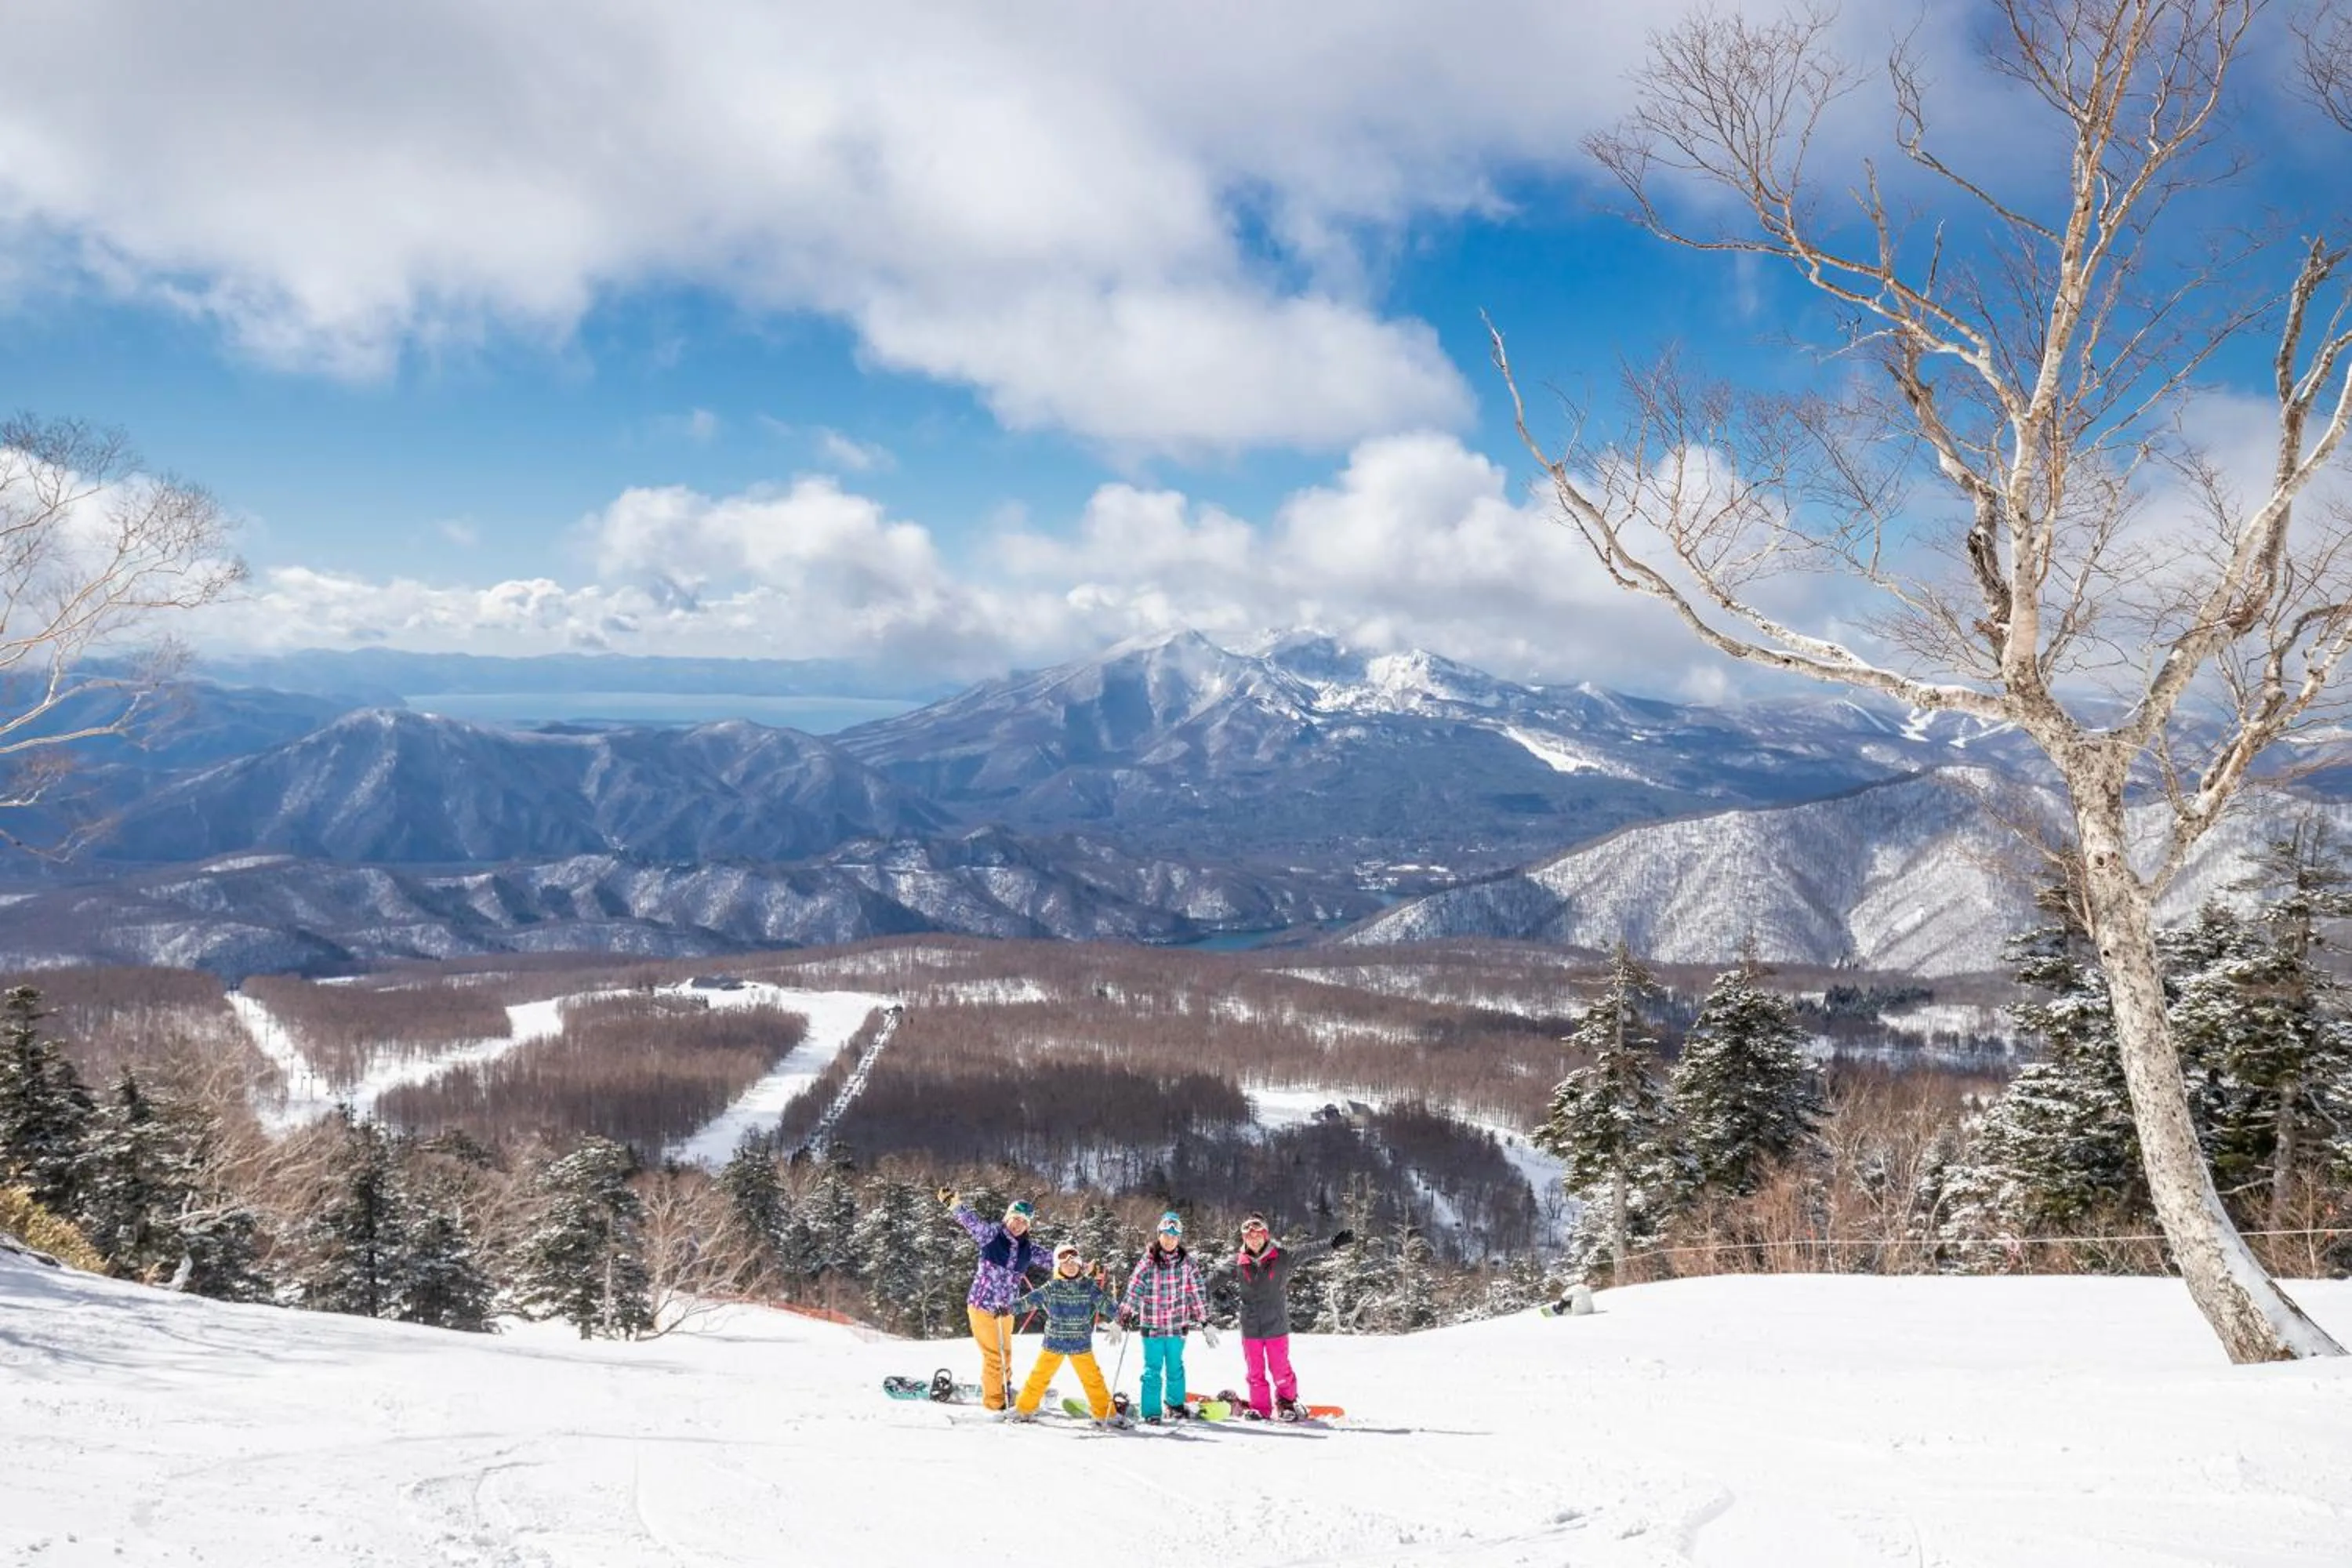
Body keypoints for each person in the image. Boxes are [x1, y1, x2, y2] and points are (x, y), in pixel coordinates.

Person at [1229, 1211, 1352, 1421]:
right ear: (1244, 1239)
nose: (1254, 1239)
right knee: (1255, 1372)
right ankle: (1260, 1409)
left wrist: (1333, 1243)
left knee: (1280, 1369)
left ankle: (1287, 1402)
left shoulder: (1281, 1257)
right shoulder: (1237, 1262)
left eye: (1258, 1234)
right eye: (1249, 1236)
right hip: (1250, 1328)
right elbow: (1211, 1280)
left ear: (1266, 1235)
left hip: (1276, 1326)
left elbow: (1307, 1250)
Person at [940, 1187, 1053, 1411]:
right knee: (994, 1357)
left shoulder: (1028, 1249)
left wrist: (1082, 1266)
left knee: (1005, 1355)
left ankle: (1003, 1388)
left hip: (1006, 1310)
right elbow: (972, 1222)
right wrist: (954, 1205)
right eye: (1015, 1219)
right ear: (1007, 1218)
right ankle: (995, 1403)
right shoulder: (992, 1235)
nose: (1018, 1225)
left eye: (1024, 1222)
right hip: (982, 1306)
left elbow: (1055, 1260)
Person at [1007, 1242, 1118, 1422]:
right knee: (1039, 1377)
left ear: (1080, 1265)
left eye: (1074, 1263)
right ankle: (1024, 1409)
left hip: (1080, 1343)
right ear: (1058, 1267)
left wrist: (1122, 1315)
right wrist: (1008, 1309)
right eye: (1066, 1264)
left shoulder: (1088, 1286)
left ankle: (1106, 1414)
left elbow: (1105, 1303)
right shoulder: (1052, 1287)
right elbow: (1030, 1300)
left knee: (1093, 1380)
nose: (1070, 1266)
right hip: (1054, 1342)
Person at [1120, 1210, 1209, 1425]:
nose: (1170, 1240)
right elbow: (1135, 1289)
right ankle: (1152, 1411)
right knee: (1152, 1370)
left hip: (1177, 1327)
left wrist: (1205, 1320)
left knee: (1176, 1368)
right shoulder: (1148, 1261)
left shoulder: (1187, 1263)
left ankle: (1175, 1405)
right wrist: (1123, 1315)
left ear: (1179, 1238)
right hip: (1152, 1328)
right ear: (1159, 1235)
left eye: (1174, 1236)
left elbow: (1196, 1292)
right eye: (1166, 1235)